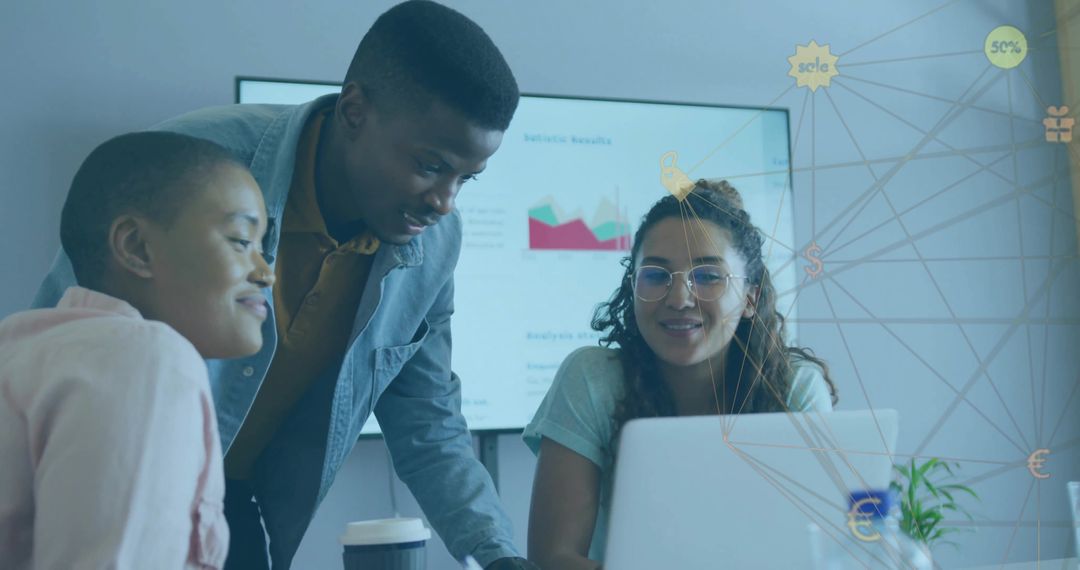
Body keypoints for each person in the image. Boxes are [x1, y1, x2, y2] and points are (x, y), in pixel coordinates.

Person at [33, 2, 533, 568]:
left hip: (231, 505)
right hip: (116, 477)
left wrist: (497, 555)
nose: (445, 201)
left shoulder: (435, 242)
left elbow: (426, 416)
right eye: (429, 164)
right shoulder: (196, 170)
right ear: (354, 110)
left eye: (465, 178)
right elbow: (60, 343)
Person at [523, 180, 840, 569]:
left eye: (708, 276)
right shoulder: (592, 378)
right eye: (656, 275)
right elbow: (551, 559)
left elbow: (814, 555)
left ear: (750, 298)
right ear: (633, 286)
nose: (679, 299)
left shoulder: (794, 388)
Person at [1, 131, 274, 569]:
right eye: (241, 241)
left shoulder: (24, 345)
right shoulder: (148, 357)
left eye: (264, 248)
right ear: (136, 247)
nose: (266, 273)